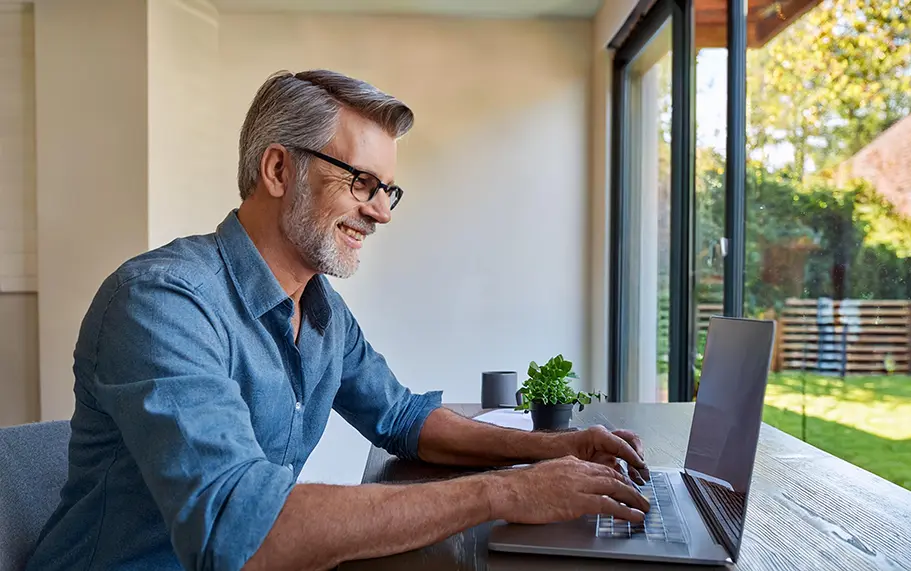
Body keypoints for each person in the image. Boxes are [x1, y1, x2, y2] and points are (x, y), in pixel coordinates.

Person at [26, 70, 650, 571]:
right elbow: (237, 532)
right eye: (361, 182)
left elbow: (403, 418)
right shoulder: (162, 303)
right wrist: (506, 492)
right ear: (277, 170)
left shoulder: (321, 308)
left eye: (388, 190)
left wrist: (550, 449)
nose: (381, 212)